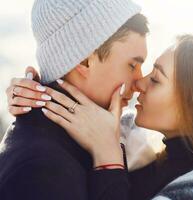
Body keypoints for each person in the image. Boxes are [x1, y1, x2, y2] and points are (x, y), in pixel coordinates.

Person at [5, 35, 193, 200]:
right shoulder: (150, 160)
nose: (138, 83)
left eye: (156, 79)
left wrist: (108, 158)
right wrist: (41, 92)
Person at [0, 0, 149, 199]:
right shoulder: (42, 167)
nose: (140, 81)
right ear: (84, 61)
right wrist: (109, 164)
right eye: (132, 66)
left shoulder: (89, 140)